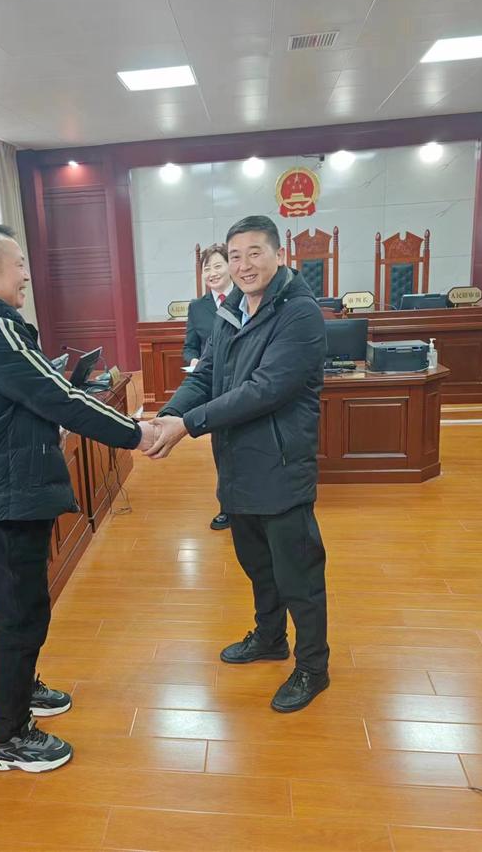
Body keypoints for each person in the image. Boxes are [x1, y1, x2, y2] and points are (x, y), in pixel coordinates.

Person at [0, 224, 156, 773]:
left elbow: (24, 399)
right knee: (18, 614)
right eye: (18, 265)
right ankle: (8, 738)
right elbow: (61, 397)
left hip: (1, 487)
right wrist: (136, 432)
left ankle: (21, 689)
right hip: (0, 496)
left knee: (24, 608)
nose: (26, 276)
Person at [146, 215, 330, 713]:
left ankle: (314, 667)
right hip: (237, 465)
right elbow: (206, 374)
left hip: (281, 466)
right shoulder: (230, 309)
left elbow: (263, 390)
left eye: (255, 253)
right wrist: (168, 415)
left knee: (298, 575)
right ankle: (270, 637)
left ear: (278, 255)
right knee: (257, 566)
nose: (244, 265)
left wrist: (188, 425)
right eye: (235, 256)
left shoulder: (300, 314)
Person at [183, 243, 234, 531]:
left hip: (243, 382)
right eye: (207, 268)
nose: (212, 273)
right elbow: (190, 346)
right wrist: (193, 359)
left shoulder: (246, 298)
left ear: (230, 267)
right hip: (213, 388)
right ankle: (227, 506)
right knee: (222, 446)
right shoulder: (197, 307)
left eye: (217, 265)